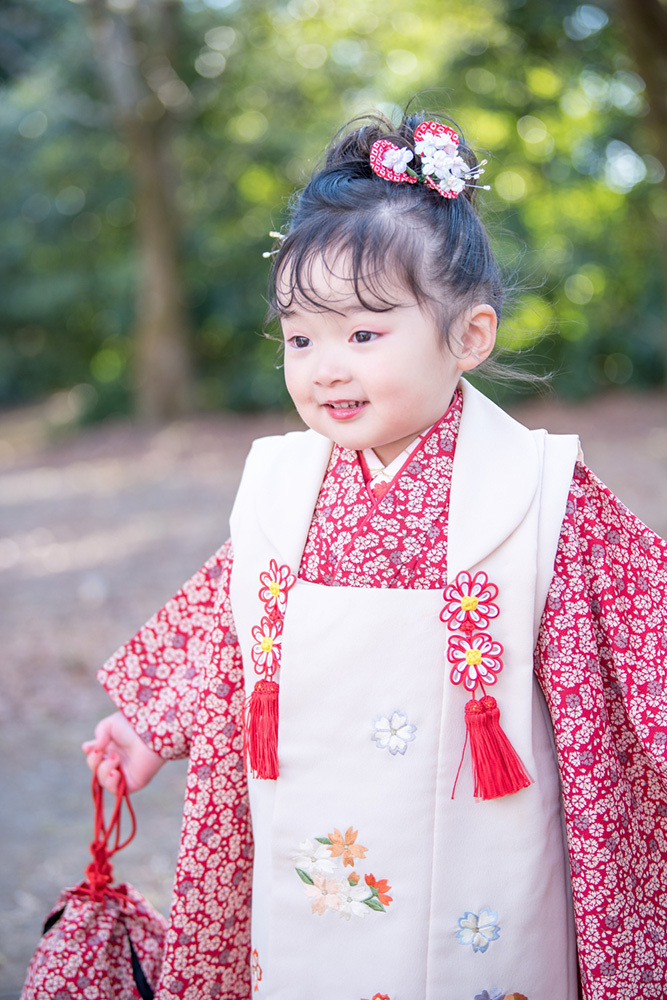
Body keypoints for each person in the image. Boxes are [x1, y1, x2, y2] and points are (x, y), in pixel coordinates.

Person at [82, 111, 667, 1000]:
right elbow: (224, 623)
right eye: (300, 337)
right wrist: (148, 729)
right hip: (309, 832)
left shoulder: (543, 490)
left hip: (481, 844)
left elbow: (641, 631)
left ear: (468, 337)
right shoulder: (279, 484)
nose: (325, 367)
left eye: (363, 335)